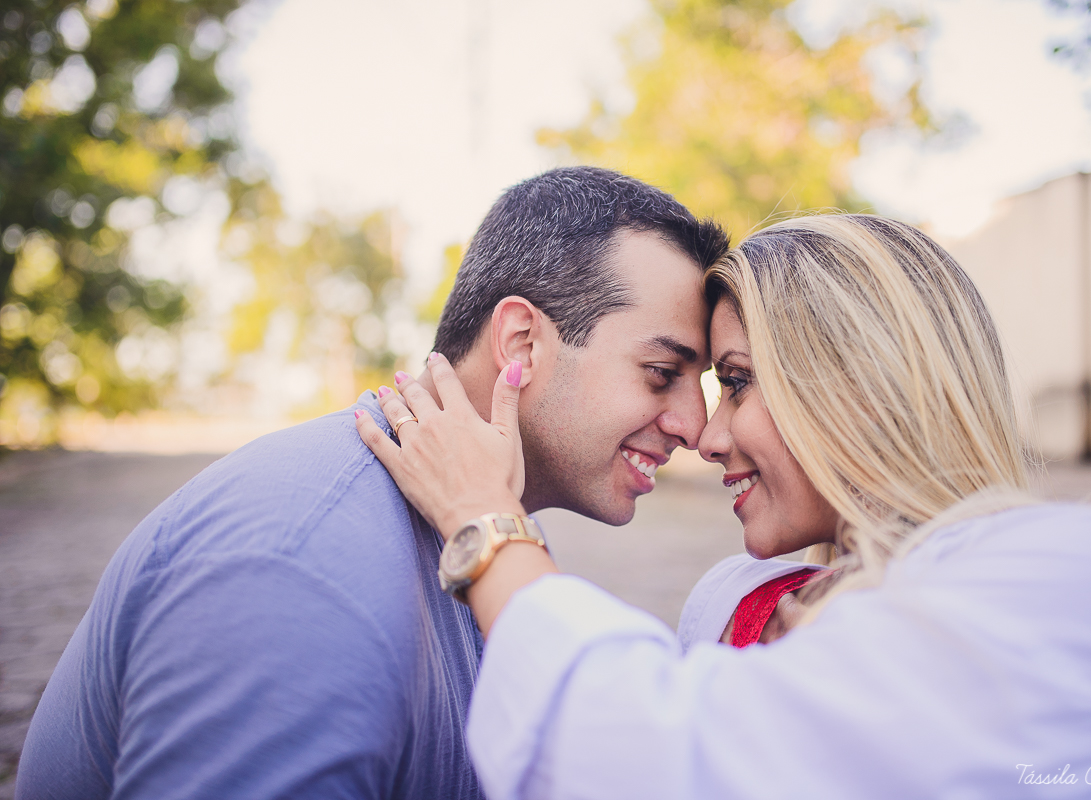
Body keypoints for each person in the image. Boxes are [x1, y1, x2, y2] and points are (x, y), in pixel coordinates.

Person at [357, 213, 1091, 799]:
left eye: (739, 382)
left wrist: (487, 524)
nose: (705, 435)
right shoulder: (735, 600)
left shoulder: (1088, 574)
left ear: (860, 386)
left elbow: (641, 759)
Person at [15, 167, 728, 800]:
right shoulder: (300, 568)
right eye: (662, 374)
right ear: (521, 344)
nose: (696, 426)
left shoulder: (486, 530)